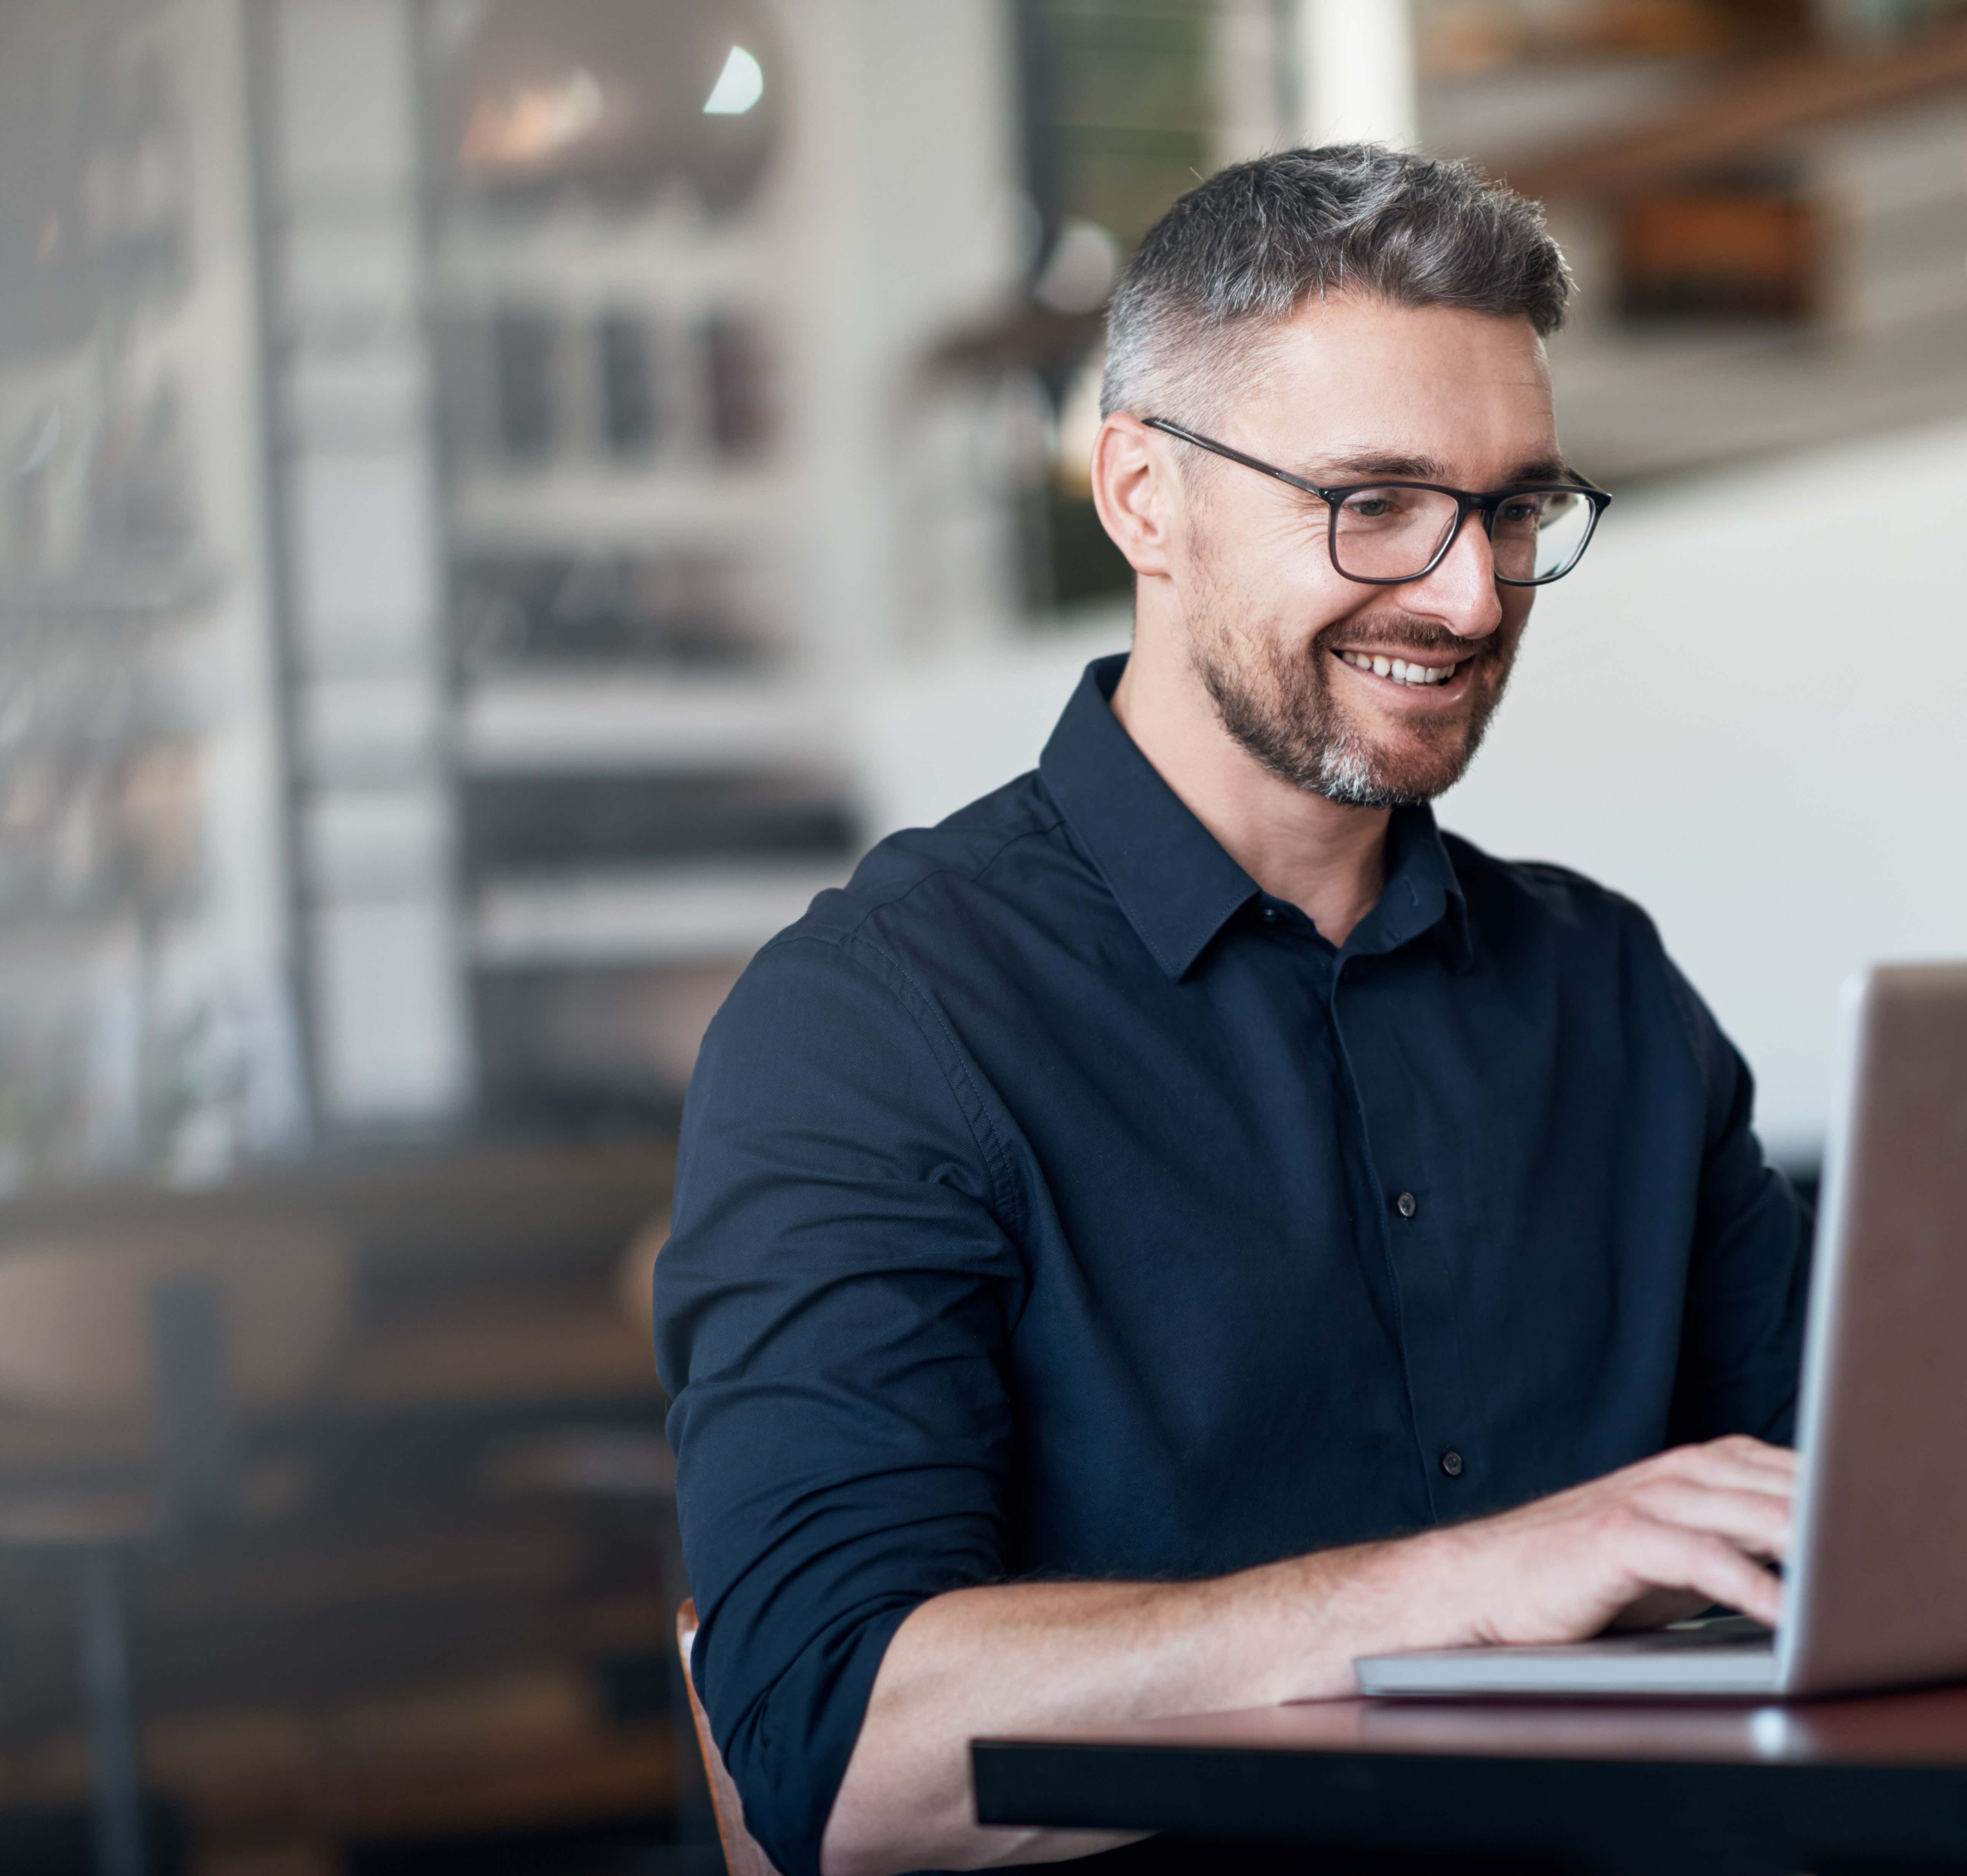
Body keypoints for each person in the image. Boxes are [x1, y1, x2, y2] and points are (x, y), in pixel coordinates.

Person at [655, 146, 1808, 1876]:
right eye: (1376, 502)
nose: (1468, 595)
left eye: (1511, 508)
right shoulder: (873, 1026)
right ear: (1140, 496)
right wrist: (1469, 1591)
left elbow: (1850, 1544)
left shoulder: (1609, 994)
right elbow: (841, 1752)